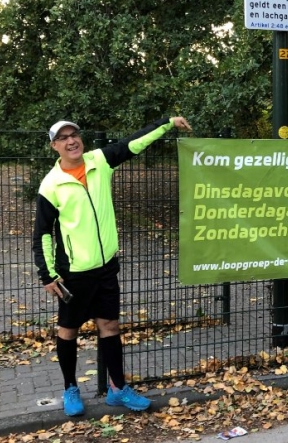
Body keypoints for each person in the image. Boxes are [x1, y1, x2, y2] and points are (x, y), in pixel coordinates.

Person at [32, 116, 192, 417]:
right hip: (74, 273)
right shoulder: (51, 185)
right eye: (63, 138)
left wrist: (167, 123)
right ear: (55, 146)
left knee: (110, 327)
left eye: (74, 134)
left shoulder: (99, 161)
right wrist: (47, 274)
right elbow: (41, 232)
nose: (71, 141)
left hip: (106, 267)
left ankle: (118, 389)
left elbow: (133, 143)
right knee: (68, 331)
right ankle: (71, 389)